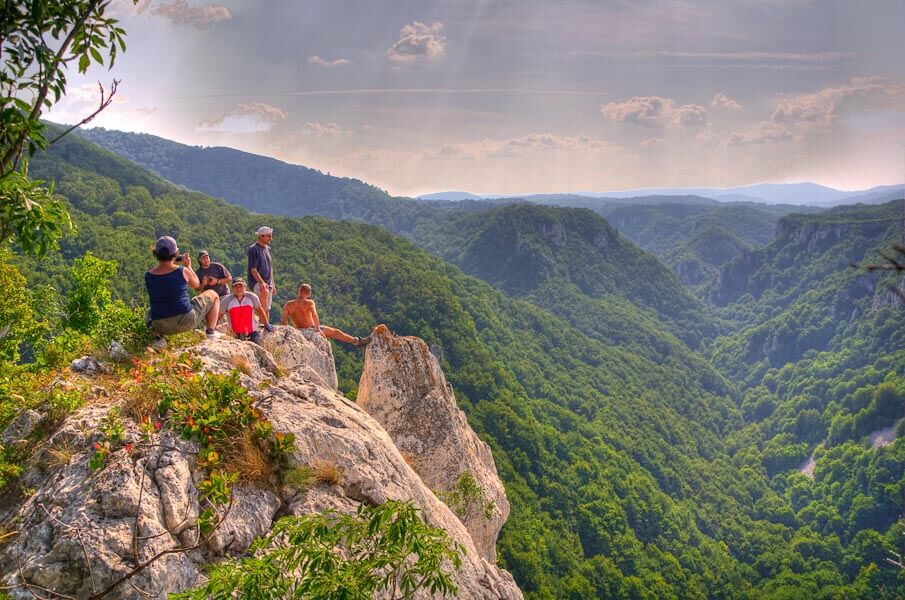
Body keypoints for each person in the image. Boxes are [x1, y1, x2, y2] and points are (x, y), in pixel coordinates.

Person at [145, 236, 220, 339]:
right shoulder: (182, 271)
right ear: (175, 253)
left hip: (161, 326)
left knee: (149, 311)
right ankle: (211, 332)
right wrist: (188, 266)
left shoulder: (148, 275)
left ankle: (158, 339)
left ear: (156, 253)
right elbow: (197, 285)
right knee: (213, 294)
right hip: (186, 320)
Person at [282, 283, 370, 347]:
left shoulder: (288, 304)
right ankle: (357, 341)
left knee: (331, 333)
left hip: (297, 330)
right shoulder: (309, 303)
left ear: (299, 291)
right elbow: (315, 315)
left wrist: (287, 333)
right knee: (336, 332)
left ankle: (357, 341)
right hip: (310, 329)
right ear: (309, 293)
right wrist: (317, 329)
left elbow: (284, 322)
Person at [219, 278, 274, 344]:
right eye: (236, 286)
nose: (238, 289)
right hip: (235, 334)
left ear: (245, 287)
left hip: (252, 332)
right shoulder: (226, 301)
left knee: (259, 345)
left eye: (241, 286)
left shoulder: (252, 297)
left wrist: (266, 324)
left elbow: (260, 311)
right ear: (232, 288)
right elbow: (219, 315)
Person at [247, 226, 275, 314]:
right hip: (256, 282)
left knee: (267, 307)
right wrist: (261, 282)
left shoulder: (268, 249)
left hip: (268, 282)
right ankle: (261, 323)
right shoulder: (253, 249)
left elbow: (270, 268)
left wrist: (273, 284)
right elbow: (253, 269)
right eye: (268, 236)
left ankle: (266, 325)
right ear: (261, 236)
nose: (271, 238)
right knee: (264, 294)